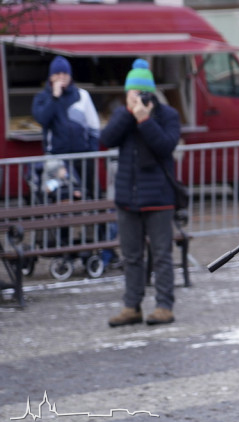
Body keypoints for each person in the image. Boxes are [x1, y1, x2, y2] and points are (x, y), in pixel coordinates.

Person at [102, 59, 182, 327]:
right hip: (128, 198)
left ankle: (164, 306)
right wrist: (128, 114)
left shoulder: (167, 115)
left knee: (161, 256)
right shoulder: (121, 115)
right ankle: (131, 306)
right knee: (131, 256)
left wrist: (145, 120)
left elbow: (165, 146)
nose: (136, 98)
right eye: (132, 92)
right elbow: (107, 139)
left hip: (159, 199)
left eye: (140, 92)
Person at [31, 55, 101, 198]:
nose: (62, 77)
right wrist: (55, 97)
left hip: (83, 156)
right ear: (51, 77)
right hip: (57, 158)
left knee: (92, 194)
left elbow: (94, 126)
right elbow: (42, 119)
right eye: (57, 74)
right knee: (59, 195)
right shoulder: (42, 98)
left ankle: (98, 220)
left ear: (70, 76)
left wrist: (91, 152)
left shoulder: (82, 96)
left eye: (65, 74)